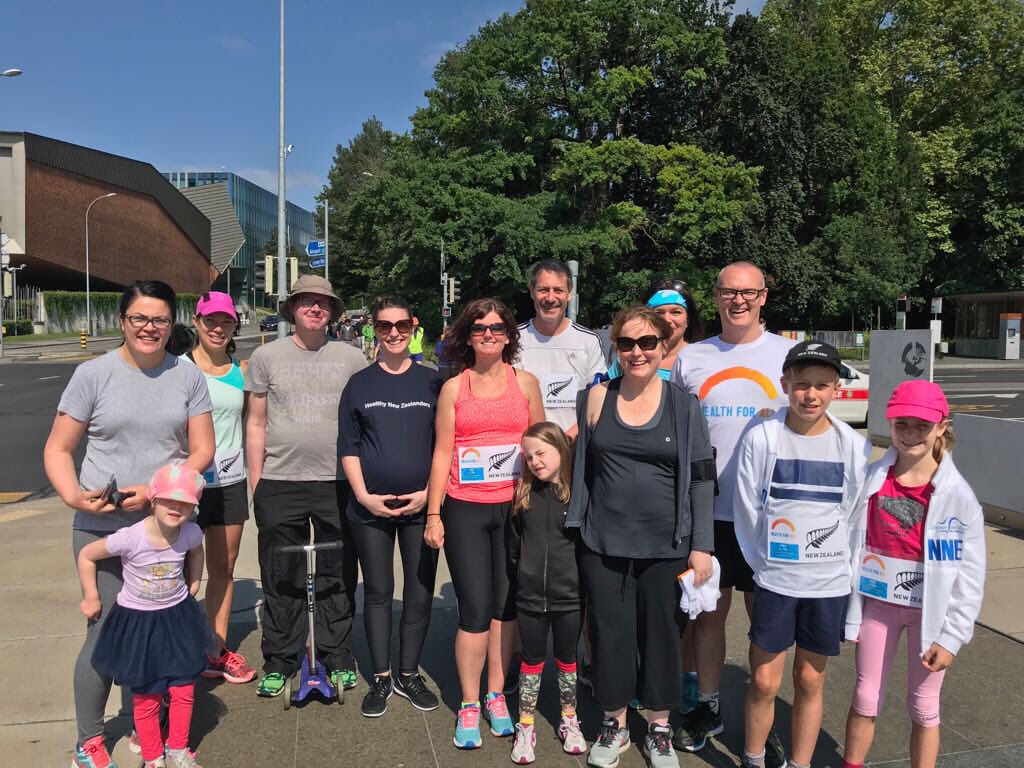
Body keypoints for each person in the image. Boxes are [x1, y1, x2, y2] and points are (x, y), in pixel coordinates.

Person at [44, 280, 215, 768]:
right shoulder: (93, 374)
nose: (149, 327)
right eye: (139, 317)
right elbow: (58, 448)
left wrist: (157, 489)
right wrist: (72, 495)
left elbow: (202, 450)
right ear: (122, 321)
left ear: (171, 324)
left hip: (166, 526)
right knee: (103, 632)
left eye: (159, 319)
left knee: (159, 629)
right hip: (103, 526)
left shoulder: (186, 376)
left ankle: (148, 725)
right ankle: (89, 741)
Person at [567, 305, 715, 768]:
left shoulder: (684, 406)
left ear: (663, 346)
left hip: (666, 546)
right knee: (609, 636)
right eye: (627, 343)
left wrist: (702, 545)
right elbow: (581, 469)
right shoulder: (595, 398)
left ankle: (659, 728)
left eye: (648, 342)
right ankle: (613, 724)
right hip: (603, 544)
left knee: (663, 639)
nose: (637, 352)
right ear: (615, 347)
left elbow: (702, 478)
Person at [671, 261, 796, 763]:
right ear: (717, 295)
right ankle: (708, 705)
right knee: (708, 617)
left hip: (768, 515)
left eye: (747, 292)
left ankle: (762, 724)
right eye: (728, 292)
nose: (737, 300)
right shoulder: (692, 358)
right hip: (708, 513)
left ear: (763, 296)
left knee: (765, 623)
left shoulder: (787, 355)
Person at [733, 341, 872, 768]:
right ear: (785, 384)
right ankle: (754, 758)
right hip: (776, 581)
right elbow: (747, 512)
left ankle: (800, 763)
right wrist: (766, 566)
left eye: (821, 386)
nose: (810, 395)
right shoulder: (762, 437)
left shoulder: (852, 445)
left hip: (828, 586)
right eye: (802, 385)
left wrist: (850, 584)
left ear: (836, 389)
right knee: (763, 681)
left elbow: (855, 520)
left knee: (810, 680)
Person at [842, 381, 985, 768]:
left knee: (923, 706)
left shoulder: (958, 497)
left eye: (922, 425)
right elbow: (850, 542)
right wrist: (849, 610)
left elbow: (970, 577)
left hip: (930, 617)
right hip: (878, 607)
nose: (910, 434)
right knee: (866, 697)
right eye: (901, 424)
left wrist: (952, 637)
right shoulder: (871, 479)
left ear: (941, 427)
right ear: (889, 424)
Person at [424, 298, 544, 749]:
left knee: (505, 608)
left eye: (496, 327)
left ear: (509, 335)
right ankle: (470, 702)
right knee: (474, 610)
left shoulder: (525, 383)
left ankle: (497, 695)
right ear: (467, 336)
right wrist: (433, 513)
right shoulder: (454, 388)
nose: (488, 334)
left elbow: (541, 447)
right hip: (465, 508)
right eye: (479, 328)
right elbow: (442, 453)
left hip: (515, 508)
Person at [245, 275, 367, 698]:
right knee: (281, 574)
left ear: (332, 312)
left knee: (338, 572)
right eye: (306, 302)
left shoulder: (352, 358)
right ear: (292, 309)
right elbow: (256, 422)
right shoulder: (266, 356)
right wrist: (257, 481)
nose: (315, 308)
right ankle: (281, 659)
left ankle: (337, 655)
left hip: (337, 482)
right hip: (281, 481)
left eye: (323, 303)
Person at [339, 296, 443, 717]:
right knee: (379, 592)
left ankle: (408, 673)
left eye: (402, 325)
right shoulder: (359, 384)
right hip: (369, 509)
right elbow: (348, 446)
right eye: (385, 326)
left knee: (419, 593)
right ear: (374, 329)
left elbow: (446, 445)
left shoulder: (434, 381)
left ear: (413, 326)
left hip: (422, 506)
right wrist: (364, 496)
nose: (394, 333)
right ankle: (381, 676)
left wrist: (431, 495)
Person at [80, 464, 210, 768]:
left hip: (177, 618)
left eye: (185, 503)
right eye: (169, 500)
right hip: (139, 623)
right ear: (153, 499)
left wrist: (195, 580)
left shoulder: (190, 532)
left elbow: (197, 551)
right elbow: (87, 555)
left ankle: (178, 748)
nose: (176, 508)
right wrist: (91, 596)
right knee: (148, 695)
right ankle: (153, 757)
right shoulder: (131, 537)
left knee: (183, 687)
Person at [182, 291, 256, 685]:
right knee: (177, 571)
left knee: (223, 568)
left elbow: (257, 423)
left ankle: (216, 649)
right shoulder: (178, 369)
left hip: (229, 481)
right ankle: (177, 649)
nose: (217, 328)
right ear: (196, 321)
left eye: (225, 321)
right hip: (185, 483)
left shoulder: (242, 371)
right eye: (210, 320)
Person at [508, 422, 586, 764]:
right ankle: (525, 726)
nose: (534, 461)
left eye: (541, 453)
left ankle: (569, 719)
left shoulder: (578, 498)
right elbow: (513, 548)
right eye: (528, 457)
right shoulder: (524, 499)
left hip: (570, 598)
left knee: (568, 660)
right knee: (531, 661)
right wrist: (520, 580)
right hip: (529, 598)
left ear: (561, 450)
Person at [517, 258, 606, 439]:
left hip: (574, 444)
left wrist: (567, 439)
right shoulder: (514, 339)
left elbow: (599, 398)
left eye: (558, 290)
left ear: (569, 294)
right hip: (526, 445)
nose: (550, 298)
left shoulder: (588, 341)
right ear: (532, 292)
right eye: (543, 290)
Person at [605, 278, 704, 381]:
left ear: (688, 320)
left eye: (676, 312)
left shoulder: (703, 359)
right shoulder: (628, 360)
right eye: (659, 313)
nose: (667, 320)